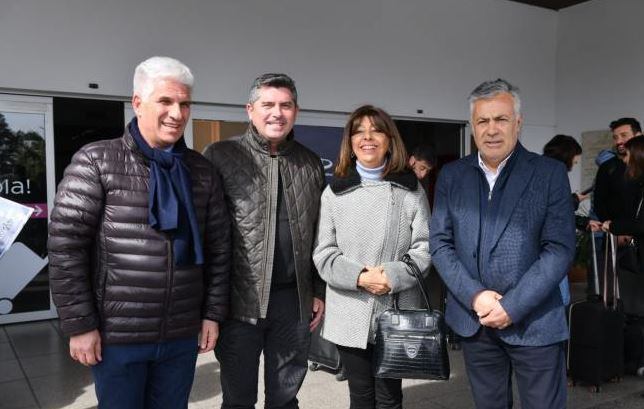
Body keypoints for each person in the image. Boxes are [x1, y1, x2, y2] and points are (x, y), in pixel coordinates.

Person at [48, 56, 231, 408]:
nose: (177, 113)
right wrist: (80, 325)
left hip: (180, 334)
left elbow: (219, 249)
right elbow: (65, 248)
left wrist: (211, 313)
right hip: (118, 335)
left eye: (184, 103)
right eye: (165, 101)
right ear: (137, 103)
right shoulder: (96, 161)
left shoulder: (201, 171)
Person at [429, 79, 576, 409]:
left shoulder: (548, 174)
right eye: (483, 121)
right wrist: (475, 296)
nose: (491, 129)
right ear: (472, 126)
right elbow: (440, 243)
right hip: (475, 322)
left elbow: (559, 249)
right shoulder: (453, 175)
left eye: (501, 119)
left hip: (535, 322)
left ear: (518, 123)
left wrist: (512, 306)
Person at [202, 73, 325, 409]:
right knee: (238, 398)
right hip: (238, 304)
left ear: (296, 111)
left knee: (285, 399)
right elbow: (205, 234)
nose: (277, 113)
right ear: (250, 110)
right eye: (268, 104)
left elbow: (319, 234)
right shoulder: (220, 156)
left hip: (293, 304)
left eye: (285, 105)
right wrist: (208, 307)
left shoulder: (310, 163)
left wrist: (318, 290)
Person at [313, 105, 431, 409]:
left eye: (376, 130)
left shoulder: (410, 189)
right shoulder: (335, 193)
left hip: (397, 309)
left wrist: (391, 276)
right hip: (351, 308)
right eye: (359, 131)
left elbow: (424, 246)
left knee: (390, 397)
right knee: (361, 396)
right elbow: (324, 253)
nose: (368, 137)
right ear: (350, 143)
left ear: (390, 140)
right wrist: (360, 277)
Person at [593, 117, 642, 223]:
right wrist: (615, 230)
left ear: (638, 136)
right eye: (615, 137)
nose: (619, 141)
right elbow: (599, 203)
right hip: (616, 235)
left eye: (624, 135)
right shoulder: (607, 167)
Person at [543, 134, 587, 210]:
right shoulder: (552, 174)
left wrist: (583, 221)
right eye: (574, 160)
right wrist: (575, 199)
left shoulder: (541, 168)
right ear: (567, 155)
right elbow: (555, 208)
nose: (575, 162)